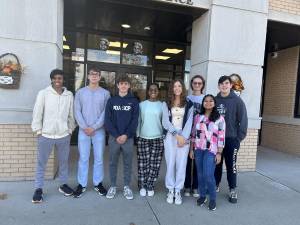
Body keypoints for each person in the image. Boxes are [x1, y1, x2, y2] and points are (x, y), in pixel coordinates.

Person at [31, 69, 75, 203]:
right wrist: (38, 131)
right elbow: (37, 112)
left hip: (63, 135)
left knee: (63, 162)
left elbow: (71, 115)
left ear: (63, 80)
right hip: (46, 135)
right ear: (51, 79)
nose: (57, 81)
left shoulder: (69, 95)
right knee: (41, 163)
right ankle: (38, 189)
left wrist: (70, 129)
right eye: (55, 78)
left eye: (60, 78)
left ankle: (63, 185)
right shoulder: (43, 93)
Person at [73, 67, 110, 198]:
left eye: (97, 74)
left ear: (100, 77)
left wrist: (94, 127)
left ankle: (98, 183)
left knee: (99, 159)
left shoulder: (105, 93)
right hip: (83, 131)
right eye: (92, 74)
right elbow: (76, 111)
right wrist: (84, 127)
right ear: (88, 76)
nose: (94, 76)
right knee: (83, 158)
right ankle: (81, 184)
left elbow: (106, 113)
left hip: (98, 131)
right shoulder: (80, 92)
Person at [104, 75, 139, 200]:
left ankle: (126, 187)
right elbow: (107, 120)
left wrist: (126, 135)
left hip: (128, 138)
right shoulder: (111, 101)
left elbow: (135, 120)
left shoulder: (134, 101)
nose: (123, 86)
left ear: (129, 86)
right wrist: (117, 135)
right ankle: (113, 186)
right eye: (121, 83)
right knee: (113, 162)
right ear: (118, 85)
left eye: (126, 83)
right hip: (114, 138)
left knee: (128, 163)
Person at [214, 75, 248, 203]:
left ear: (230, 85)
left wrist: (238, 138)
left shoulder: (237, 101)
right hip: (216, 141)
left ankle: (232, 189)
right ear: (218, 86)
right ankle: (215, 185)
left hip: (231, 139)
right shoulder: (215, 100)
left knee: (231, 166)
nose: (224, 85)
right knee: (216, 164)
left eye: (226, 83)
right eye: (221, 83)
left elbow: (243, 120)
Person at [190, 94, 225, 211]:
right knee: (200, 174)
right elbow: (193, 134)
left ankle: (213, 199)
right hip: (198, 149)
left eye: (211, 101)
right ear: (203, 103)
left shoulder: (219, 118)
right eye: (206, 101)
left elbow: (221, 137)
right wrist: (191, 149)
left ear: (214, 103)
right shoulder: (197, 117)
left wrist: (219, 153)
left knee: (208, 175)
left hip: (212, 150)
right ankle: (202, 196)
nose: (208, 103)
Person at [162, 79, 193, 205]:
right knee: (170, 163)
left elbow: (190, 121)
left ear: (183, 88)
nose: (177, 88)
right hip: (170, 136)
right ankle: (170, 189)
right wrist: (176, 135)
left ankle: (178, 190)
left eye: (179, 86)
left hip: (184, 137)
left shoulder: (189, 103)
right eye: (175, 86)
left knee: (181, 164)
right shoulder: (166, 103)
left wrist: (183, 137)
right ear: (172, 88)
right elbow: (165, 121)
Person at [136, 83, 164, 197]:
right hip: (143, 137)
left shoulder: (162, 105)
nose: (153, 91)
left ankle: (150, 184)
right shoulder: (142, 105)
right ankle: (142, 185)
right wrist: (138, 135)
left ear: (158, 92)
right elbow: (138, 121)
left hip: (158, 138)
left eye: (155, 90)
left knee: (155, 164)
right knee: (143, 164)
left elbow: (164, 122)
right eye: (151, 89)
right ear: (148, 92)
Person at [184, 75, 205, 198]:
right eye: (195, 83)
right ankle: (187, 186)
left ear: (202, 85)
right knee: (187, 162)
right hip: (187, 134)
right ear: (191, 84)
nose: (197, 85)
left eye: (199, 83)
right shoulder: (187, 98)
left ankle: (196, 186)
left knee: (198, 163)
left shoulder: (205, 98)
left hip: (201, 136)